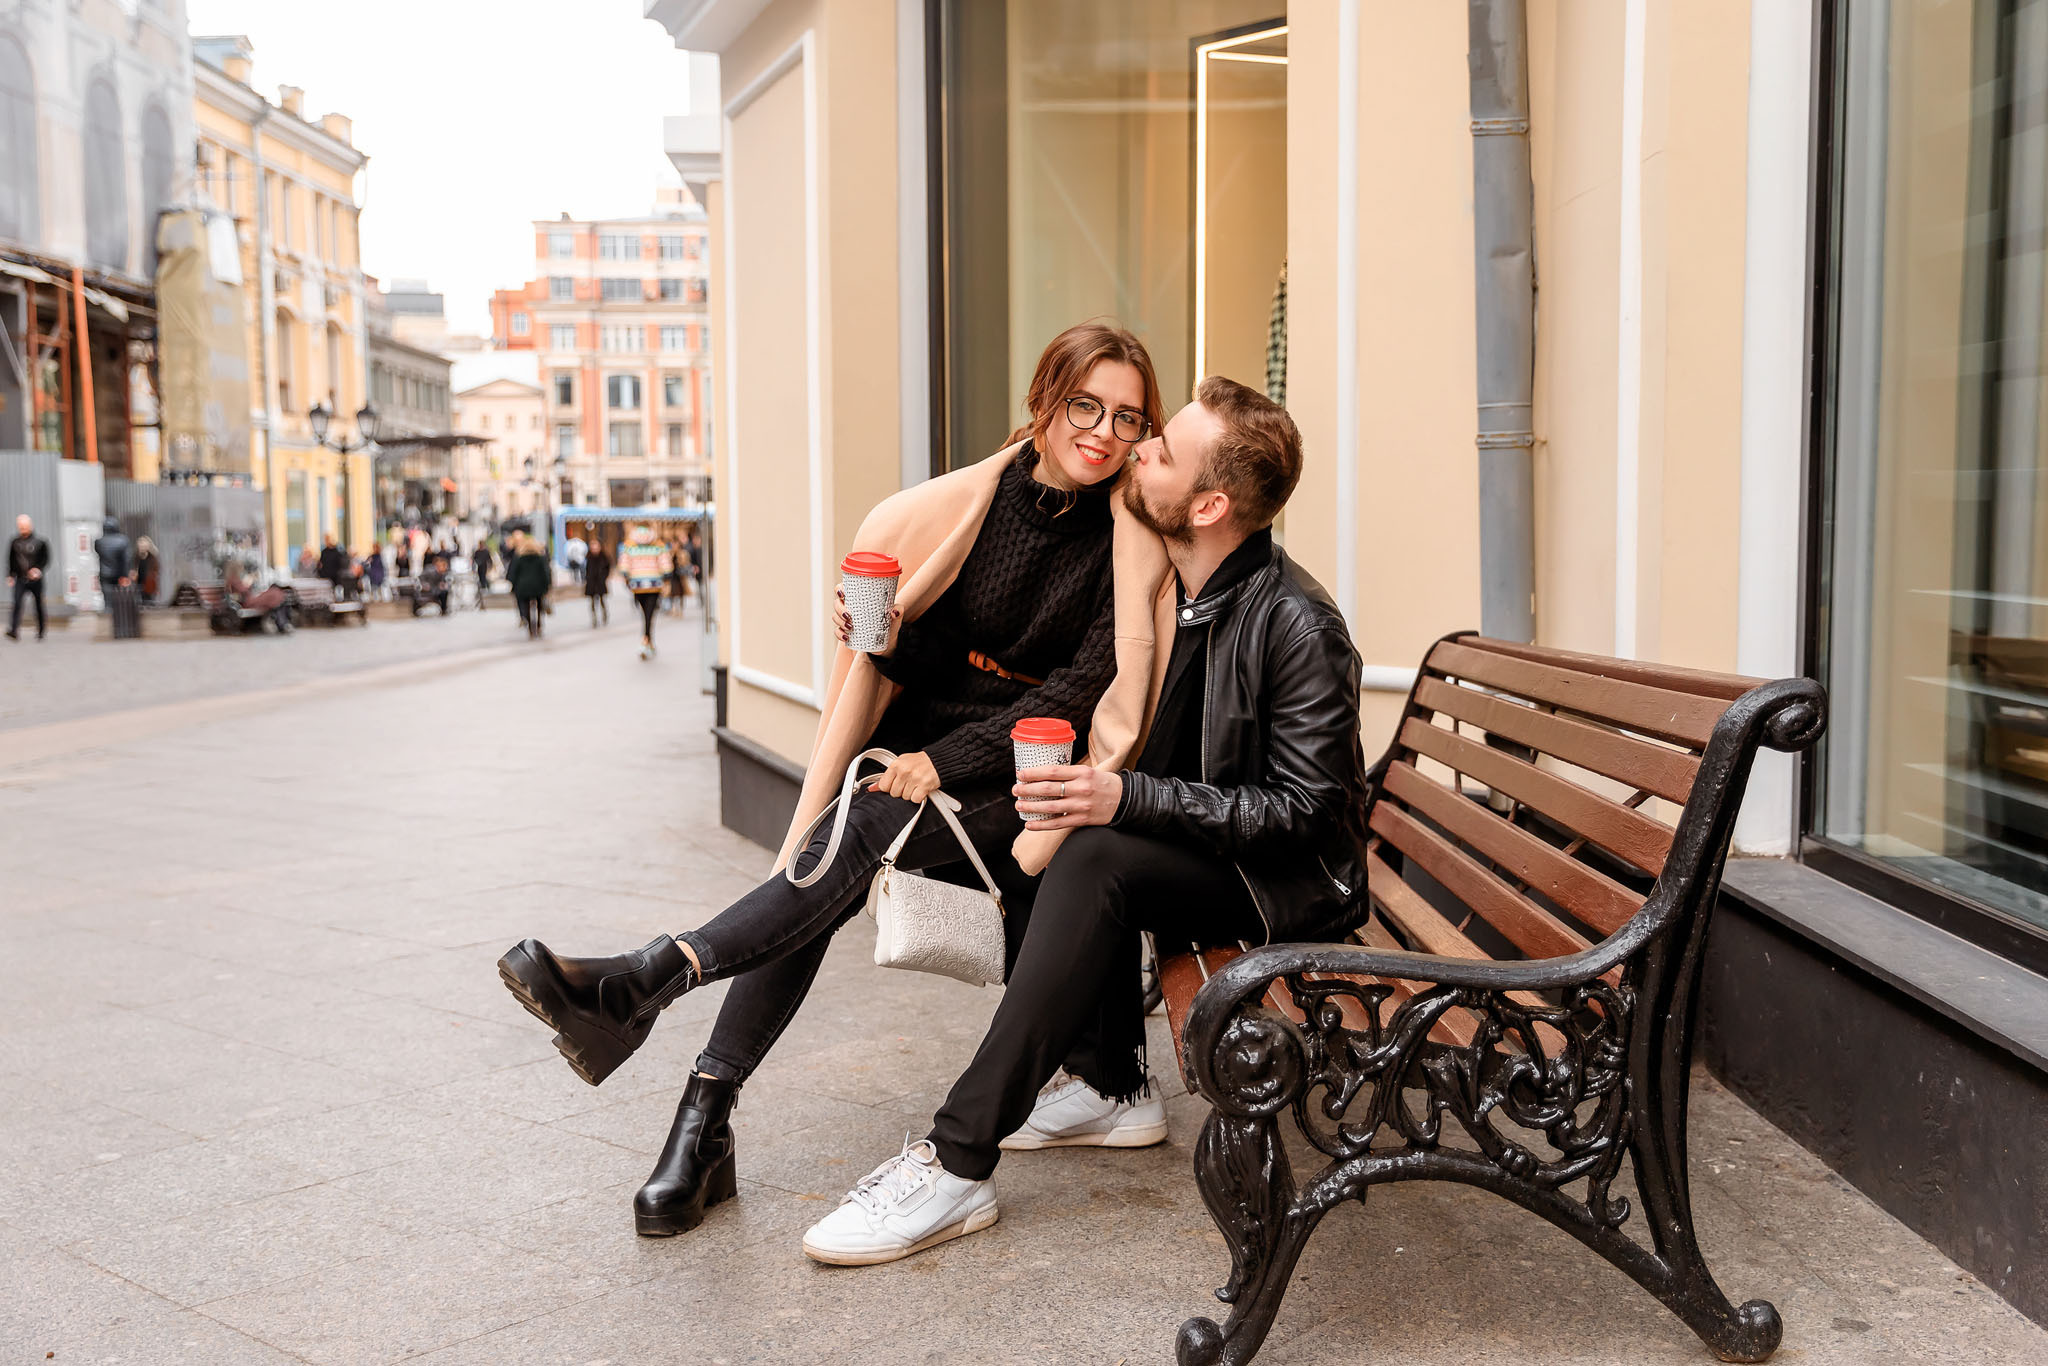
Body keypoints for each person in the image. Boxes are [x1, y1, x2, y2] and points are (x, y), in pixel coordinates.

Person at [496, 322, 1174, 1239]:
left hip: (1021, 777)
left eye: (1127, 418)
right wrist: (884, 632)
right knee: (833, 850)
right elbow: (934, 655)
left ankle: (657, 997)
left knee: (847, 836)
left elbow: (1083, 686)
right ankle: (695, 1104)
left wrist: (945, 761)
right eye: (1084, 405)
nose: (1102, 432)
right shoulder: (973, 505)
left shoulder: (1127, 541)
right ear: (1043, 401)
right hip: (913, 758)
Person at [803, 377, 1372, 1267]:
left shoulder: (1298, 625)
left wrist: (1125, 798)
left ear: (1210, 504)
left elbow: (1307, 816)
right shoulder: (1183, 592)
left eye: (1161, 450)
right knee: (1063, 833)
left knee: (1096, 850)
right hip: (1219, 851)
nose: (1138, 448)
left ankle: (955, 1162)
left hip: (1288, 886)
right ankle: (1110, 1082)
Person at [616, 525, 671, 658]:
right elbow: (666, 565)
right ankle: (646, 639)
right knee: (649, 613)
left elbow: (624, 564)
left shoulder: (629, 545)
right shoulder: (658, 544)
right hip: (654, 583)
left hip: (637, 584)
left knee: (645, 612)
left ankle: (647, 640)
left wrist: (627, 577)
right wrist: (666, 576)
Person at [95, 515, 141, 639]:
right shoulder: (123, 540)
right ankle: (123, 627)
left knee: (107, 602)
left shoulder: (98, 542)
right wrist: (125, 575)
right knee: (123, 600)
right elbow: (126, 560)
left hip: (104, 573)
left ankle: (108, 629)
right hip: (119, 574)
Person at [7, 513, 50, 641]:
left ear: (30, 526)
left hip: (36, 580)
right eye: (21, 527)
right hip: (20, 578)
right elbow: (11, 559)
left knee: (38, 604)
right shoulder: (15, 542)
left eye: (25, 527)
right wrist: (10, 574)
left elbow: (45, 559)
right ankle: (14, 630)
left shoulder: (40, 542)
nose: (23, 530)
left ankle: (41, 630)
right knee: (17, 603)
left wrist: (38, 569)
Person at [508, 533, 551, 639]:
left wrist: (513, 584)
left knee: (525, 605)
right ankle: (539, 624)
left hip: (523, 586)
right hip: (538, 585)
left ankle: (530, 626)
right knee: (539, 605)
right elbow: (546, 572)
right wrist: (547, 584)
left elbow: (512, 573)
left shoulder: (518, 558)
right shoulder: (540, 558)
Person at [584, 535, 613, 626]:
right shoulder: (588, 557)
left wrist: (604, 577)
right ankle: (594, 618)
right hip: (591, 582)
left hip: (600, 582)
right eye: (593, 546)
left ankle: (604, 614)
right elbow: (586, 569)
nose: (594, 548)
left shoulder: (604, 557)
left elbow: (608, 568)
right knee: (592, 602)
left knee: (602, 600)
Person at [135, 536, 161, 602]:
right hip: (138, 586)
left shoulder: (152, 559)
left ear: (148, 547)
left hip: (149, 587)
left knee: (149, 604)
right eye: (140, 545)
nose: (141, 547)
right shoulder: (136, 558)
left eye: (143, 545)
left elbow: (156, 573)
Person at [471, 541, 494, 609]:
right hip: (479, 566)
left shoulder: (486, 551)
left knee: (484, 577)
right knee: (480, 577)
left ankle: (485, 586)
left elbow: (489, 559)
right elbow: (474, 558)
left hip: (484, 565)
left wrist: (490, 566)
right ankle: (483, 586)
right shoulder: (477, 552)